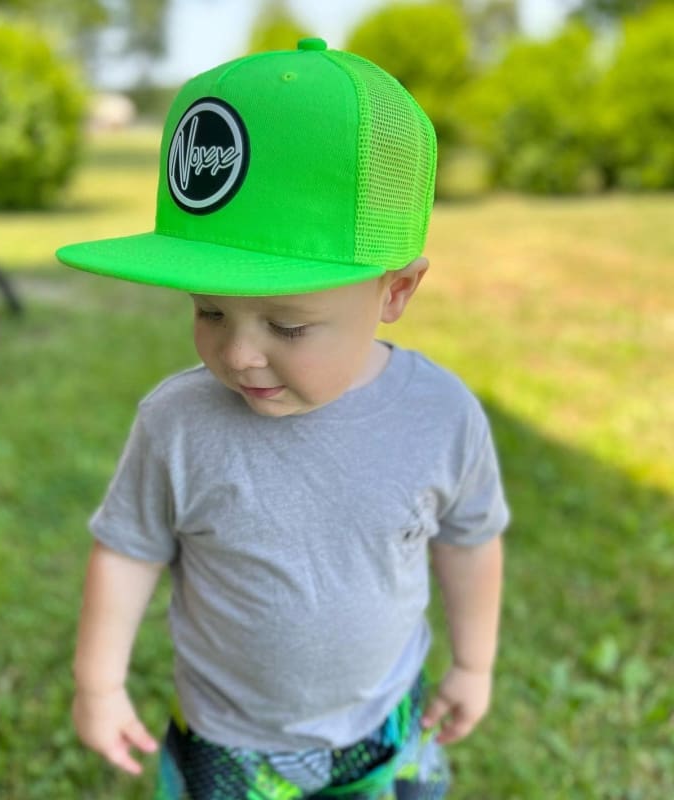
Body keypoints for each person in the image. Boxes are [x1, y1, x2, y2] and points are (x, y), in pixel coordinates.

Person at [57, 38, 508, 800]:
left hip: (385, 726)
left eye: (288, 327)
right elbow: (127, 549)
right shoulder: (178, 423)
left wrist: (473, 663)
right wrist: (97, 685)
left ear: (395, 292)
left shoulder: (439, 415)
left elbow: (471, 538)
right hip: (230, 742)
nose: (238, 354)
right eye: (208, 310)